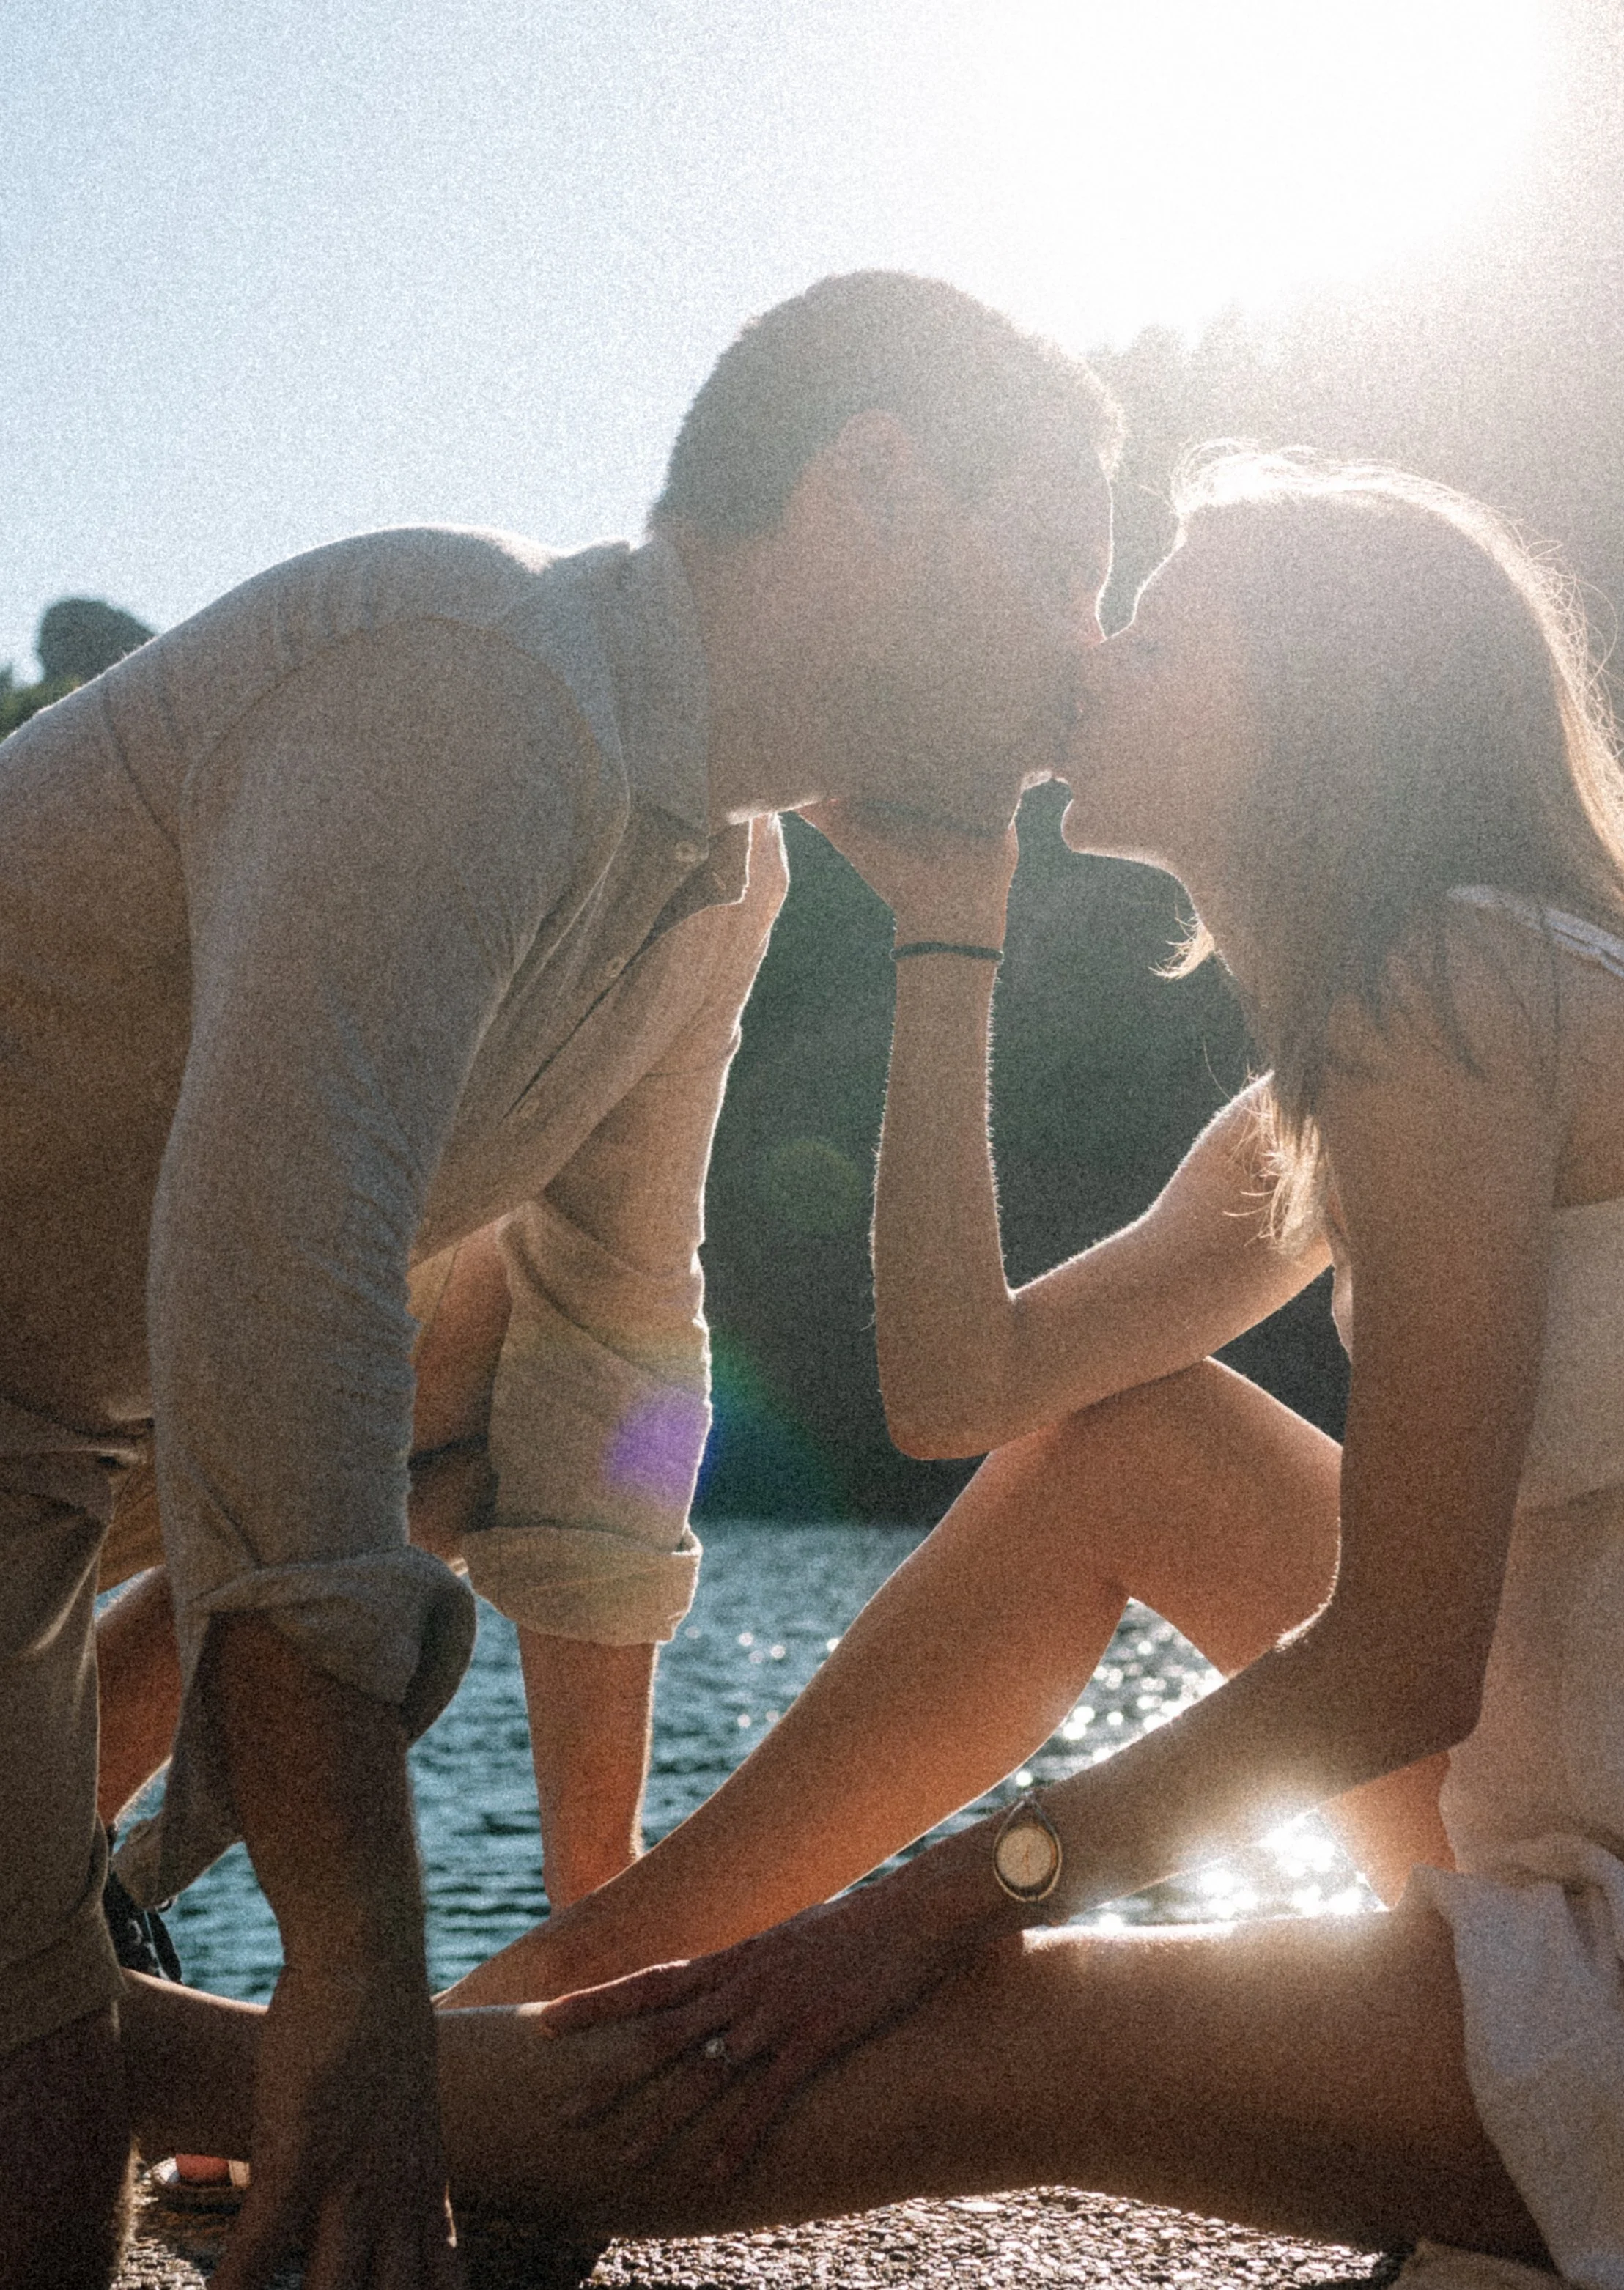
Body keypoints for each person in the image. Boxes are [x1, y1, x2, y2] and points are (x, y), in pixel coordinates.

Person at [119, 449, 1624, 2288]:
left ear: (1317, 711)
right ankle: (537, 2003)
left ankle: (130, 2041)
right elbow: (963, 1392)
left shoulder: (1461, 989)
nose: (1089, 657)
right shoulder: (1404, 1039)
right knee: (1138, 1441)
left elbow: (1399, 1658)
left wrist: (950, 1899)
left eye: (1156, 637)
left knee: (932, 2030)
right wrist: (951, 924)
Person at [0, 267, 1119, 2290]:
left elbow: (622, 1345)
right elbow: (280, 1276)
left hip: (47, 1459)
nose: (1083, 652)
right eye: (1056, 563)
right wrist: (357, 1977)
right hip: (81, 1419)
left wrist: (598, 1948)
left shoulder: (722, 872)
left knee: (42, 2177)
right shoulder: (472, 672)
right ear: (868, 484)